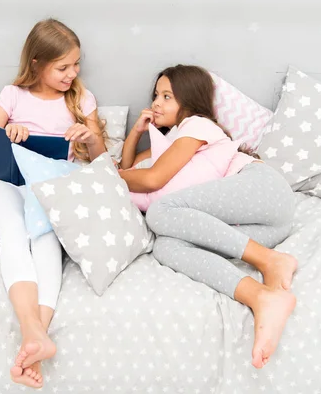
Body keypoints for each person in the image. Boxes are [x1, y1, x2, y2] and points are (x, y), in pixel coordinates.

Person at [119, 65, 298, 369]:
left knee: (161, 213)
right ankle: (260, 297)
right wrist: (136, 134)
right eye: (156, 96)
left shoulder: (196, 126)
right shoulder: (171, 141)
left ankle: (270, 261)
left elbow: (150, 180)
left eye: (167, 96)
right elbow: (132, 168)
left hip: (263, 189)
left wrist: (109, 178)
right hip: (261, 226)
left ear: (189, 101)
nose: (157, 103)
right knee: (166, 247)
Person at [0, 18, 106, 388]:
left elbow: (102, 159)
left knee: (47, 238)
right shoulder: (12, 95)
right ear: (36, 63)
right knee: (13, 231)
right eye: (63, 66)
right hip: (9, 181)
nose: (73, 73)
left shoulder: (81, 100)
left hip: (52, 185)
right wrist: (8, 134)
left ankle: (35, 337)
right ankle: (31, 329)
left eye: (76, 64)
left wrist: (89, 136)